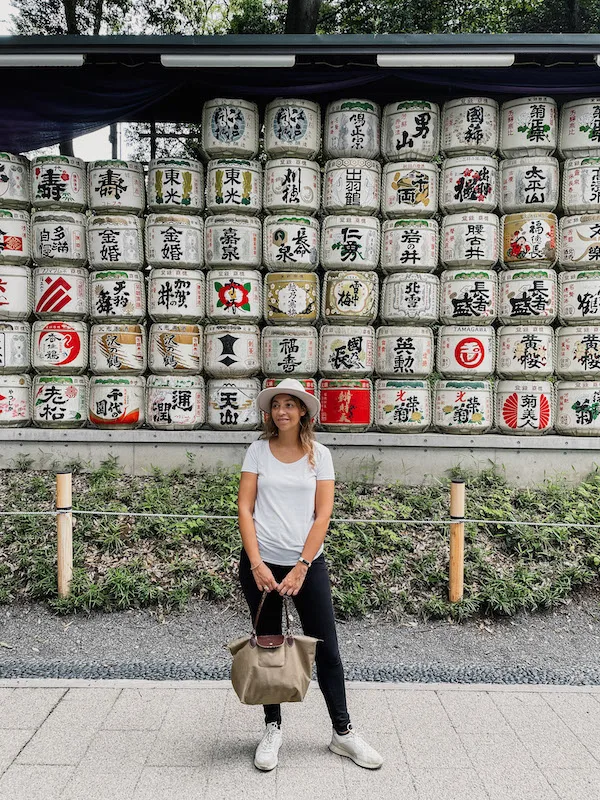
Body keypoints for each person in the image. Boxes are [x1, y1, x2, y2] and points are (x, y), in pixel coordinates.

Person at [237, 377, 383, 772]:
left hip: (308, 565)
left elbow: (323, 515)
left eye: (291, 404)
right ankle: (272, 729)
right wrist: (256, 564)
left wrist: (303, 565)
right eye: (276, 404)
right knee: (268, 648)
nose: (282, 411)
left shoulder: (320, 454)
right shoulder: (257, 452)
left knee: (327, 650)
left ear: (304, 411)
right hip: (261, 566)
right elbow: (245, 510)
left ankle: (343, 732)